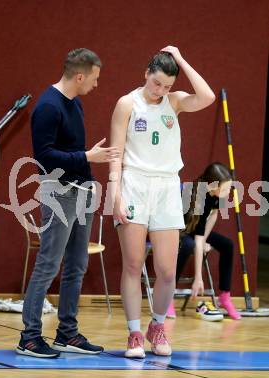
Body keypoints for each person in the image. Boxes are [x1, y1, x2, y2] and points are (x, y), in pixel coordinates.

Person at [110, 45, 215, 358]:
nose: (161, 90)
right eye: (156, 83)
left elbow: (207, 97)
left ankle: (157, 327)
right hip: (133, 184)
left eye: (167, 85)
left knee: (167, 270)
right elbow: (115, 154)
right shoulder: (126, 104)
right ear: (146, 73)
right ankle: (133, 334)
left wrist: (181, 59)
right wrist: (115, 193)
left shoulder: (174, 102)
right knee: (132, 263)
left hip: (167, 186)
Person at [16, 48, 119, 358]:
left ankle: (67, 333)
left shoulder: (76, 104)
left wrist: (89, 177)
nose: (96, 85)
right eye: (95, 78)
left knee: (77, 265)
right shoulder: (48, 107)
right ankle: (30, 336)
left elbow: (72, 151)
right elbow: (43, 157)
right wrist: (87, 156)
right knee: (48, 264)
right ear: (80, 75)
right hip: (58, 192)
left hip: (82, 191)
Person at [167, 162, 241, 321]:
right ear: (213, 185)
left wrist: (206, 238)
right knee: (188, 245)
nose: (229, 192)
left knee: (228, 245)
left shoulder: (216, 195)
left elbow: (213, 215)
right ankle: (167, 296)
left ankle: (224, 297)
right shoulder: (198, 197)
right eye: (226, 188)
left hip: (194, 231)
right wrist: (198, 278)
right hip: (175, 231)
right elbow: (197, 239)